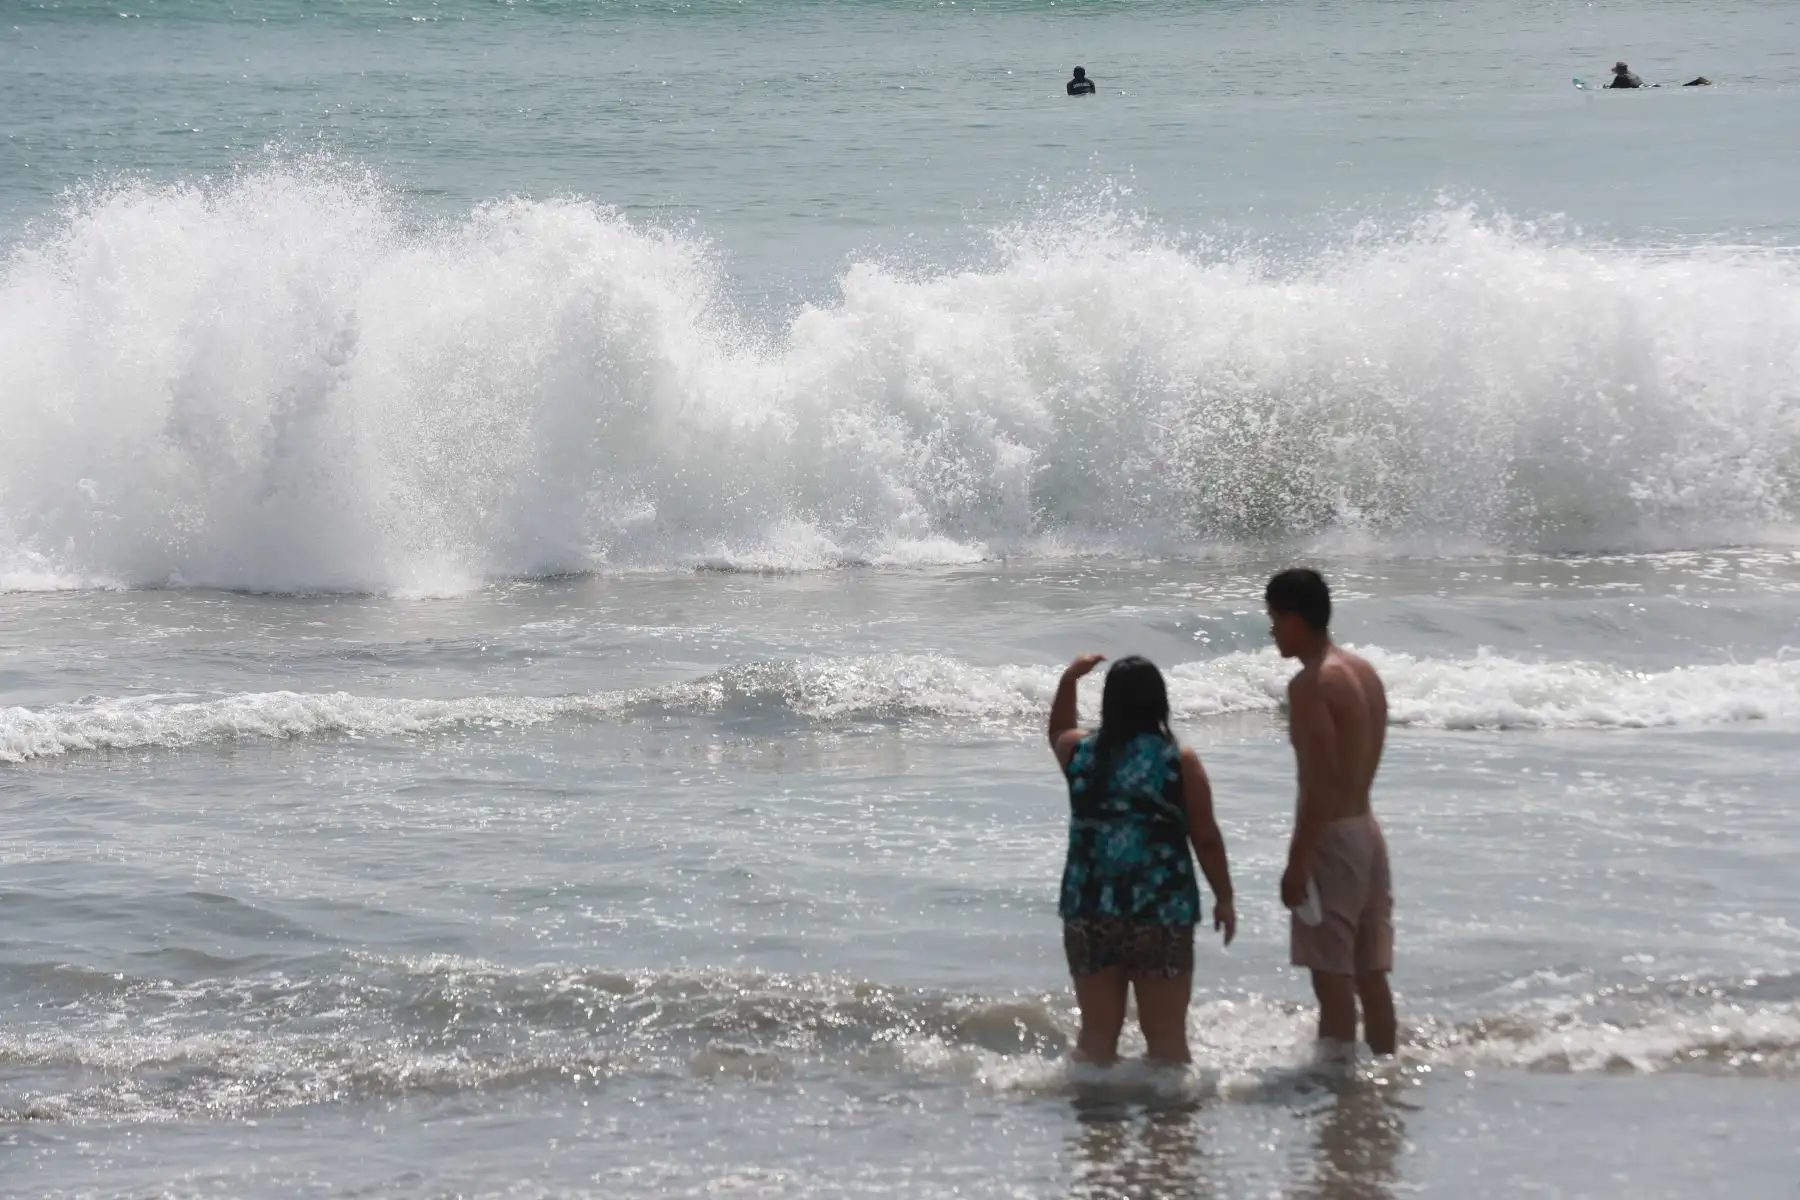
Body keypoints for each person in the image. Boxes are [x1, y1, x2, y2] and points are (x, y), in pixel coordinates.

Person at [1048, 653, 1235, 1066]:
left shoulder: (1081, 755)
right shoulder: (1177, 762)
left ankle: (1097, 1128)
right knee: (1167, 1042)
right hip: (1161, 910)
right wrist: (1225, 897)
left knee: (1095, 1038)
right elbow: (1204, 837)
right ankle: (1168, 1127)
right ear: (1160, 703)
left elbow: (1058, 728)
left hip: (1089, 907)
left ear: (1108, 703)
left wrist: (1070, 678)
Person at [1265, 569, 1397, 1057]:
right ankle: (1385, 1069)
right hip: (1367, 829)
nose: (1272, 629)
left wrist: (1298, 860)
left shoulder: (1312, 684)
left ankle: (1340, 1090)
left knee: (1333, 977)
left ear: (1296, 619)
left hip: (1333, 838)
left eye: (1275, 618)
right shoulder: (1363, 671)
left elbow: (1320, 782)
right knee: (1371, 973)